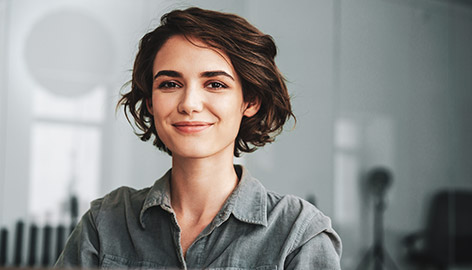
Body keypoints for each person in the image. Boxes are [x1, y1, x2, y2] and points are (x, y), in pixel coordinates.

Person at [55, 7, 341, 269]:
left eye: (215, 84)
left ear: (250, 100)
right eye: (169, 84)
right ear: (151, 102)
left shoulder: (298, 233)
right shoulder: (106, 223)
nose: (189, 103)